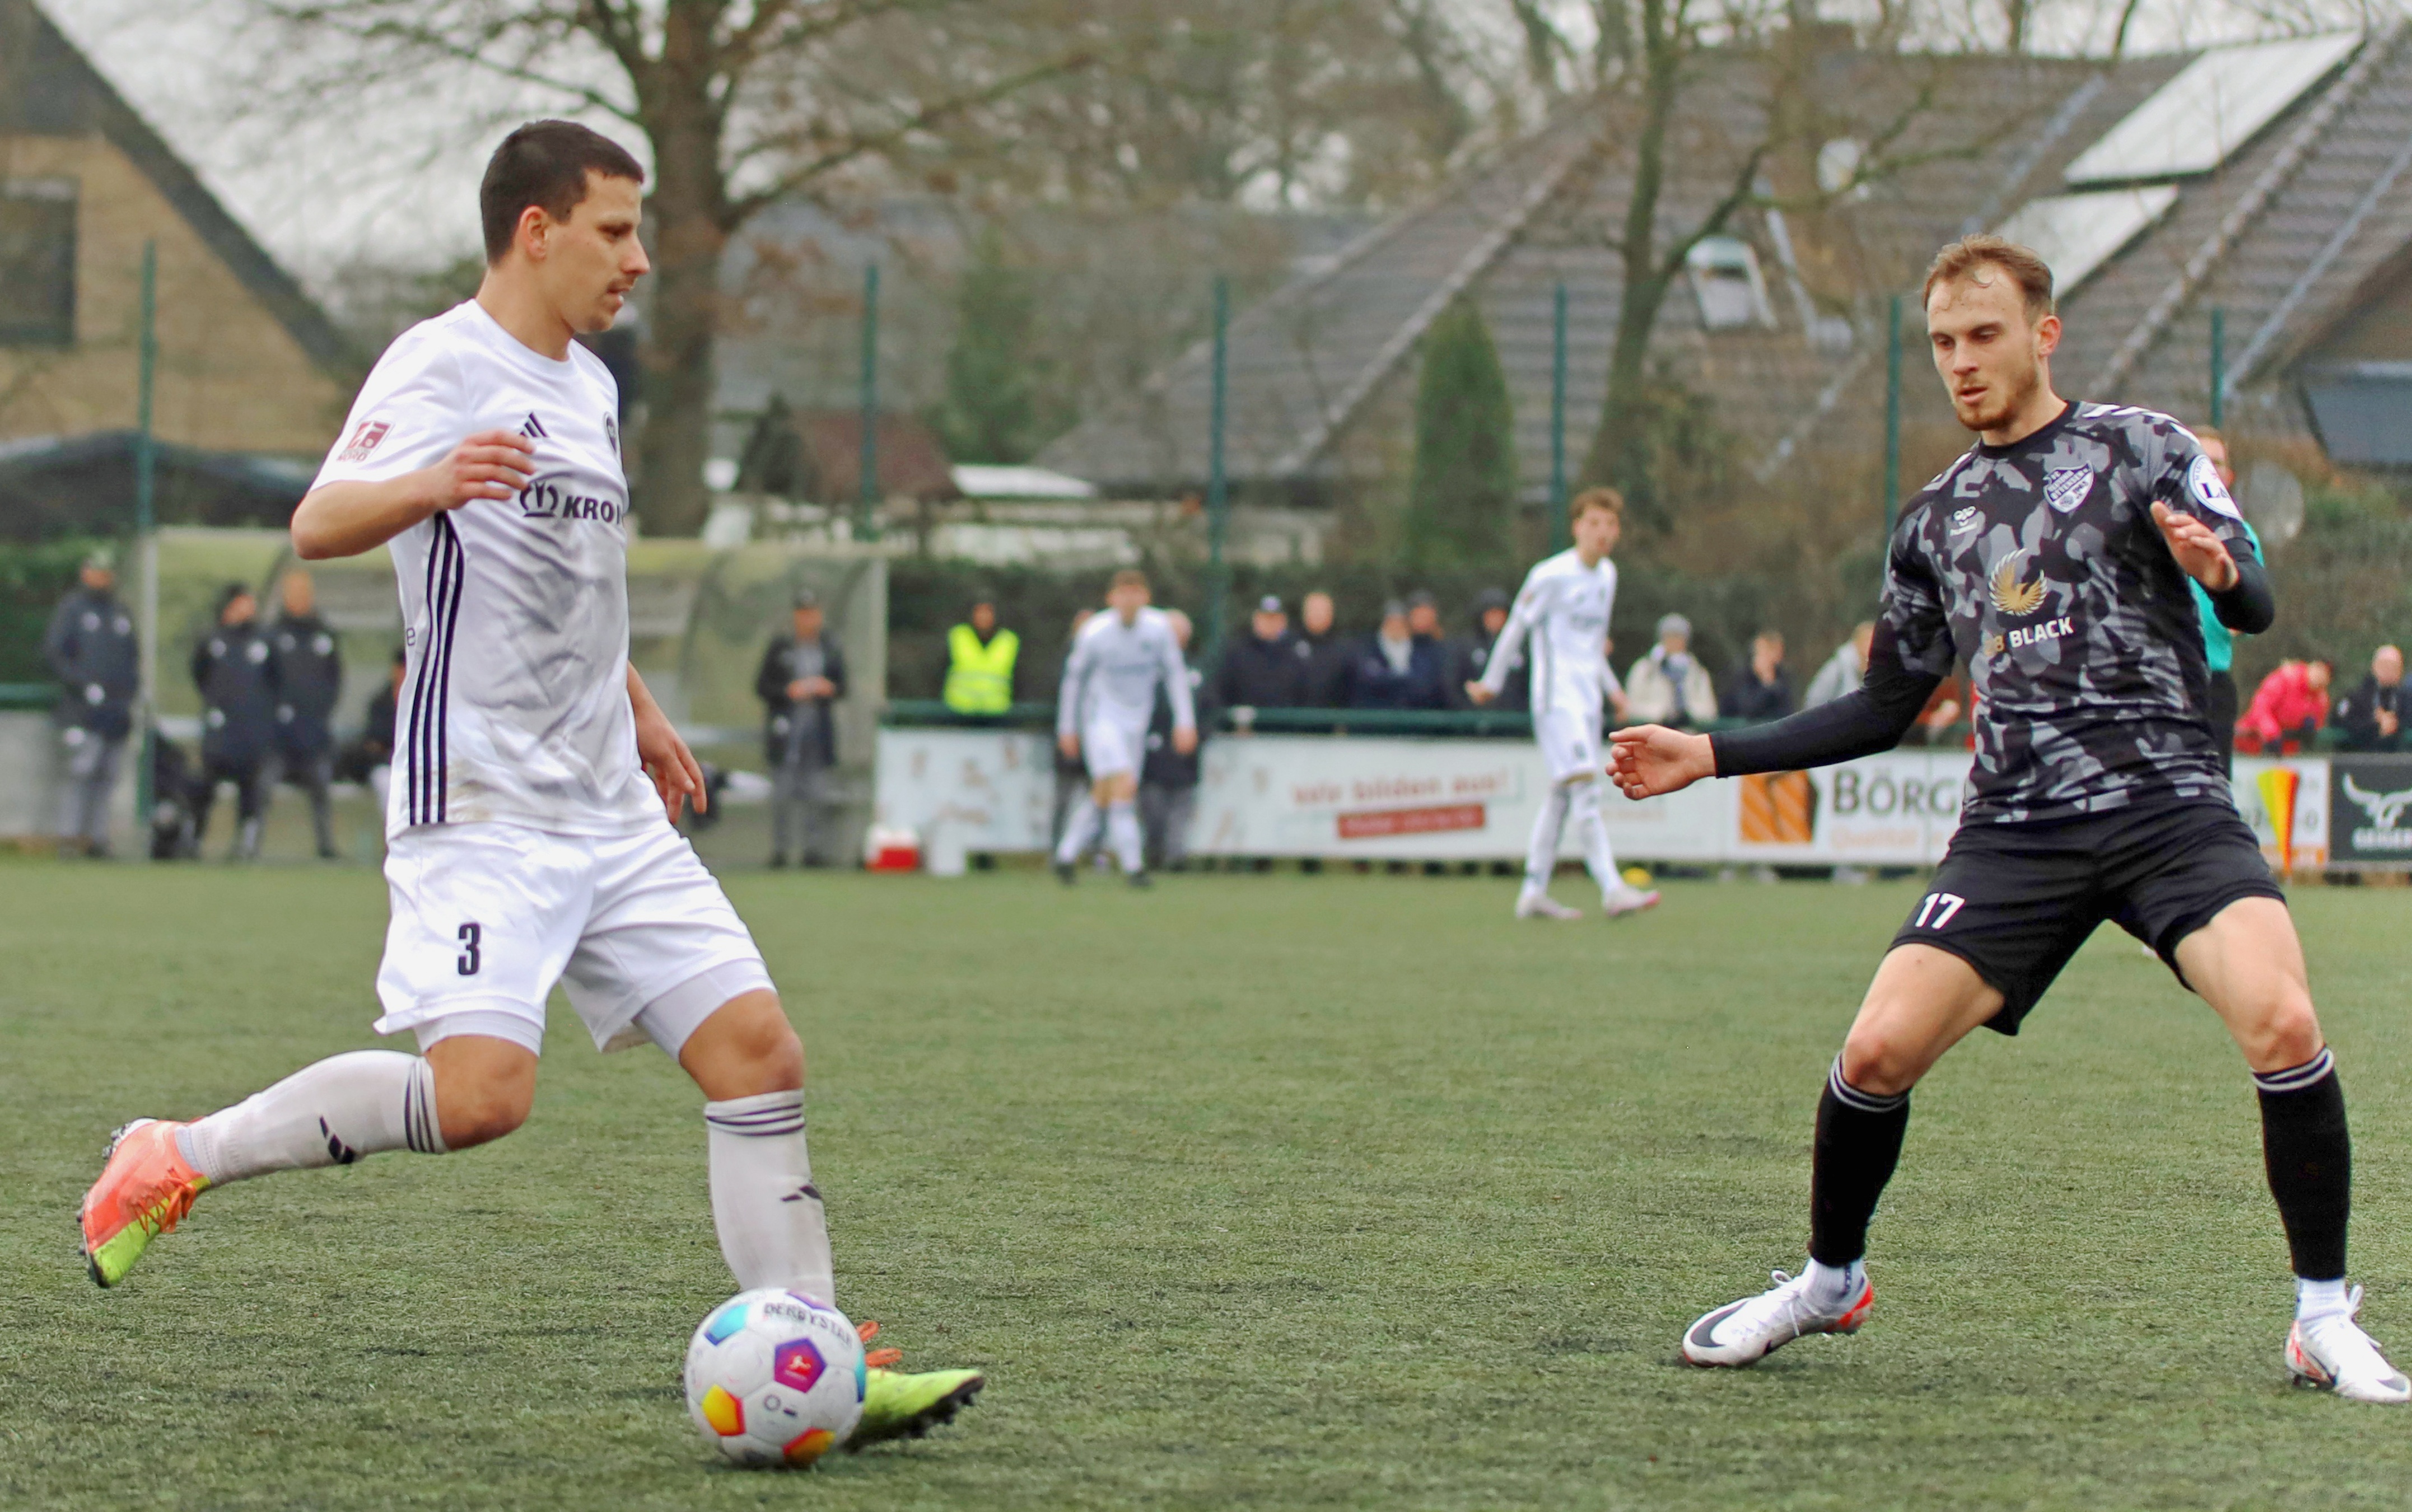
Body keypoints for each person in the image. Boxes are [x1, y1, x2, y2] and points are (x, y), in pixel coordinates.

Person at [77, 120, 980, 1441]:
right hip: (484, 809)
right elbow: (318, 522)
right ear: (537, 230)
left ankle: (823, 1351)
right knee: (482, 1098)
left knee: (755, 1051)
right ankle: (174, 1154)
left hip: (608, 802)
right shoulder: (442, 362)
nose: (640, 258)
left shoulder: (594, 386)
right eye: (617, 231)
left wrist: (644, 708)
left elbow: (571, 593)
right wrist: (436, 475)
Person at [1613, 234, 2405, 1402]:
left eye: (1981, 335)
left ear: (2042, 333)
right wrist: (1710, 753)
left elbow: (2259, 597)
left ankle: (2318, 1319)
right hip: (2014, 832)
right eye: (1939, 343)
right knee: (1874, 1053)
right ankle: (1829, 1281)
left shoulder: (2142, 448)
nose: (1959, 362)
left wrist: (2220, 573)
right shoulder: (1932, 521)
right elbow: (1887, 706)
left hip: (2166, 812)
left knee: (2282, 1024)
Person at [1468, 487, 1657, 920]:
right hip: (1556, 701)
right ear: (1577, 527)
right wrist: (1490, 682)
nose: (1603, 532)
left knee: (1560, 795)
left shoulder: (1607, 575)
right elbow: (1515, 627)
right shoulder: (1549, 575)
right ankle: (1612, 889)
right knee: (1586, 789)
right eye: (1594, 523)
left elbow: (1591, 647)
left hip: (1586, 700)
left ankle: (1533, 889)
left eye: (1610, 524)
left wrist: (1613, 689)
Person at [1055, 568, 1195, 886]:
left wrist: (1185, 722)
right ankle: (1134, 867)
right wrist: (1067, 727)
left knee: (1105, 792)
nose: (1130, 600)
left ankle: (1065, 855)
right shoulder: (1095, 632)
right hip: (1101, 720)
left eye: (1136, 593)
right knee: (1123, 788)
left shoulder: (1159, 630)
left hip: (1137, 723)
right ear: (1111, 598)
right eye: (1123, 593)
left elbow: (1175, 674)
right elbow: (1073, 682)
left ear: (1146, 598)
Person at [43, 547, 137, 857]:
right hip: (83, 712)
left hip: (116, 711)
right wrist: (83, 686)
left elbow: (132, 658)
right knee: (82, 771)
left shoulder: (120, 612)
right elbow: (56, 653)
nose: (103, 577)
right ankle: (70, 837)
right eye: (97, 571)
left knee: (108, 776)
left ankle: (97, 839)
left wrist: (128, 694)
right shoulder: (73, 609)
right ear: (86, 573)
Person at [755, 590, 848, 869]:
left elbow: (843, 686)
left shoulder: (830, 646)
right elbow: (762, 686)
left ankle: (814, 852)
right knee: (783, 794)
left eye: (813, 613)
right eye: (803, 613)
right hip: (786, 734)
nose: (809, 619)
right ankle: (782, 852)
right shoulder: (781, 647)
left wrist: (827, 688)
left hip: (817, 734)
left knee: (817, 795)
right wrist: (788, 691)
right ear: (796, 617)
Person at [190, 583, 279, 861]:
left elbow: (276, 680)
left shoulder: (264, 641)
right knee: (206, 785)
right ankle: (193, 840)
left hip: (252, 731)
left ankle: (246, 845)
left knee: (251, 790)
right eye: (243, 602)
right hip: (220, 731)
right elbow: (199, 674)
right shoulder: (212, 639)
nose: (249, 608)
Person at [2189, 427, 2260, 771]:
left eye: (2216, 462)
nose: (2209, 468)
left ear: (2228, 476)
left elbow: (2250, 615)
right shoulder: (2155, 529)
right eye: (2200, 459)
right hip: (2157, 680)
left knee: (2212, 791)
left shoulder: (2241, 539)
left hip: (2213, 686)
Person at [269, 569, 344, 860]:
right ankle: (248, 847)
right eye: (294, 592)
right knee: (261, 788)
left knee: (322, 791)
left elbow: (335, 678)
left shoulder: (324, 635)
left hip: (315, 734)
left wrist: (321, 709)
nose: (300, 599)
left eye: (304, 592)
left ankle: (326, 847)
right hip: (278, 738)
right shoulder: (273, 635)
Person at [1141, 609, 1209, 871]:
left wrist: (1197, 734)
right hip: (1152, 755)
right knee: (1153, 809)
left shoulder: (1196, 671)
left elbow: (1209, 707)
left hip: (1185, 756)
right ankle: (1154, 853)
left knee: (1182, 808)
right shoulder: (1144, 667)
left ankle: (1175, 856)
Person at [337, 646, 407, 812]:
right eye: (401, 669)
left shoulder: (427, 702)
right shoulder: (381, 702)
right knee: (387, 783)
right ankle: (394, 835)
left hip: (417, 764)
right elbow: (375, 740)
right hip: (386, 764)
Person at [1049, 608, 1095, 851]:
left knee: (1100, 798)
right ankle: (1057, 850)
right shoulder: (1065, 659)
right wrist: (1066, 732)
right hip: (1070, 739)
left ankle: (1096, 852)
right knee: (1063, 800)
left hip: (1097, 738)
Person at [1346, 600, 1448, 710]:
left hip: (1413, 718)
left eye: (1401, 622)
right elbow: (1367, 682)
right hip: (1377, 718)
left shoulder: (1422, 650)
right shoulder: (1366, 649)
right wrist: (1404, 679)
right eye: (1392, 621)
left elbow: (1426, 685)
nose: (1396, 626)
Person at [1214, 594, 1304, 711]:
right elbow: (1223, 690)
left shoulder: (1297, 652)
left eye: (1274, 618)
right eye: (1265, 618)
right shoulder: (1238, 652)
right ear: (1256, 619)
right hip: (1246, 726)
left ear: (1283, 621)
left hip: (1287, 727)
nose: (1270, 623)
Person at [1623, 614, 1718, 727]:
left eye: (1679, 637)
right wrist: (1662, 713)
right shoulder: (1645, 669)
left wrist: (1688, 714)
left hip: (1688, 733)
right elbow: (1630, 707)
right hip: (1653, 731)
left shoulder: (1697, 671)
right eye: (1669, 636)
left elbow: (1710, 710)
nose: (1674, 641)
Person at [941, 594, 1018, 715]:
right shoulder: (958, 636)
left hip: (998, 714)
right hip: (958, 712)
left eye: (988, 613)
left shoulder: (1009, 640)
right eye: (979, 612)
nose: (983, 617)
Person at [1453, 588, 1528, 711]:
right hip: (1477, 722)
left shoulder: (1522, 648)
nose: (1495, 619)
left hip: (1514, 722)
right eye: (1491, 613)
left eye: (1500, 614)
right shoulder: (1466, 647)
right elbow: (1456, 685)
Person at [2238, 659, 2331, 754]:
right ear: (2312, 666)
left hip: (2286, 753)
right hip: (2251, 744)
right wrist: (2271, 734)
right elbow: (2260, 708)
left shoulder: (2321, 698)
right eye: (2319, 668)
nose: (2320, 675)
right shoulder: (2285, 679)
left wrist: (2312, 725)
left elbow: (2318, 724)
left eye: (2326, 672)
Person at [2332, 645, 2405, 753]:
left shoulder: (2404, 698)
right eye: (2385, 665)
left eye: (2395, 667)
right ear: (2374, 666)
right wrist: (2375, 726)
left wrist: (2394, 724)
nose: (2389, 671)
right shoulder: (2355, 697)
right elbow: (2340, 722)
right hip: (2358, 760)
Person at [1720, 630, 1795, 723]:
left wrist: (1771, 683)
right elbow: (1747, 710)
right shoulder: (1742, 675)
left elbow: (1787, 709)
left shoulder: (1781, 675)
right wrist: (1766, 685)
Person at [1297, 590, 1352, 708]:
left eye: (1322, 610)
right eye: (1313, 610)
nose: (1318, 614)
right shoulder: (1290, 646)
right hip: (1294, 722)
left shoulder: (1344, 649)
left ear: (1331, 614)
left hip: (1329, 721)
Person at [1804, 622, 1875, 710]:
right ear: (1856, 641)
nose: (1871, 644)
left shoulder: (1875, 669)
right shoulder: (1838, 667)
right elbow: (1815, 698)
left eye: (1874, 640)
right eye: (1867, 640)